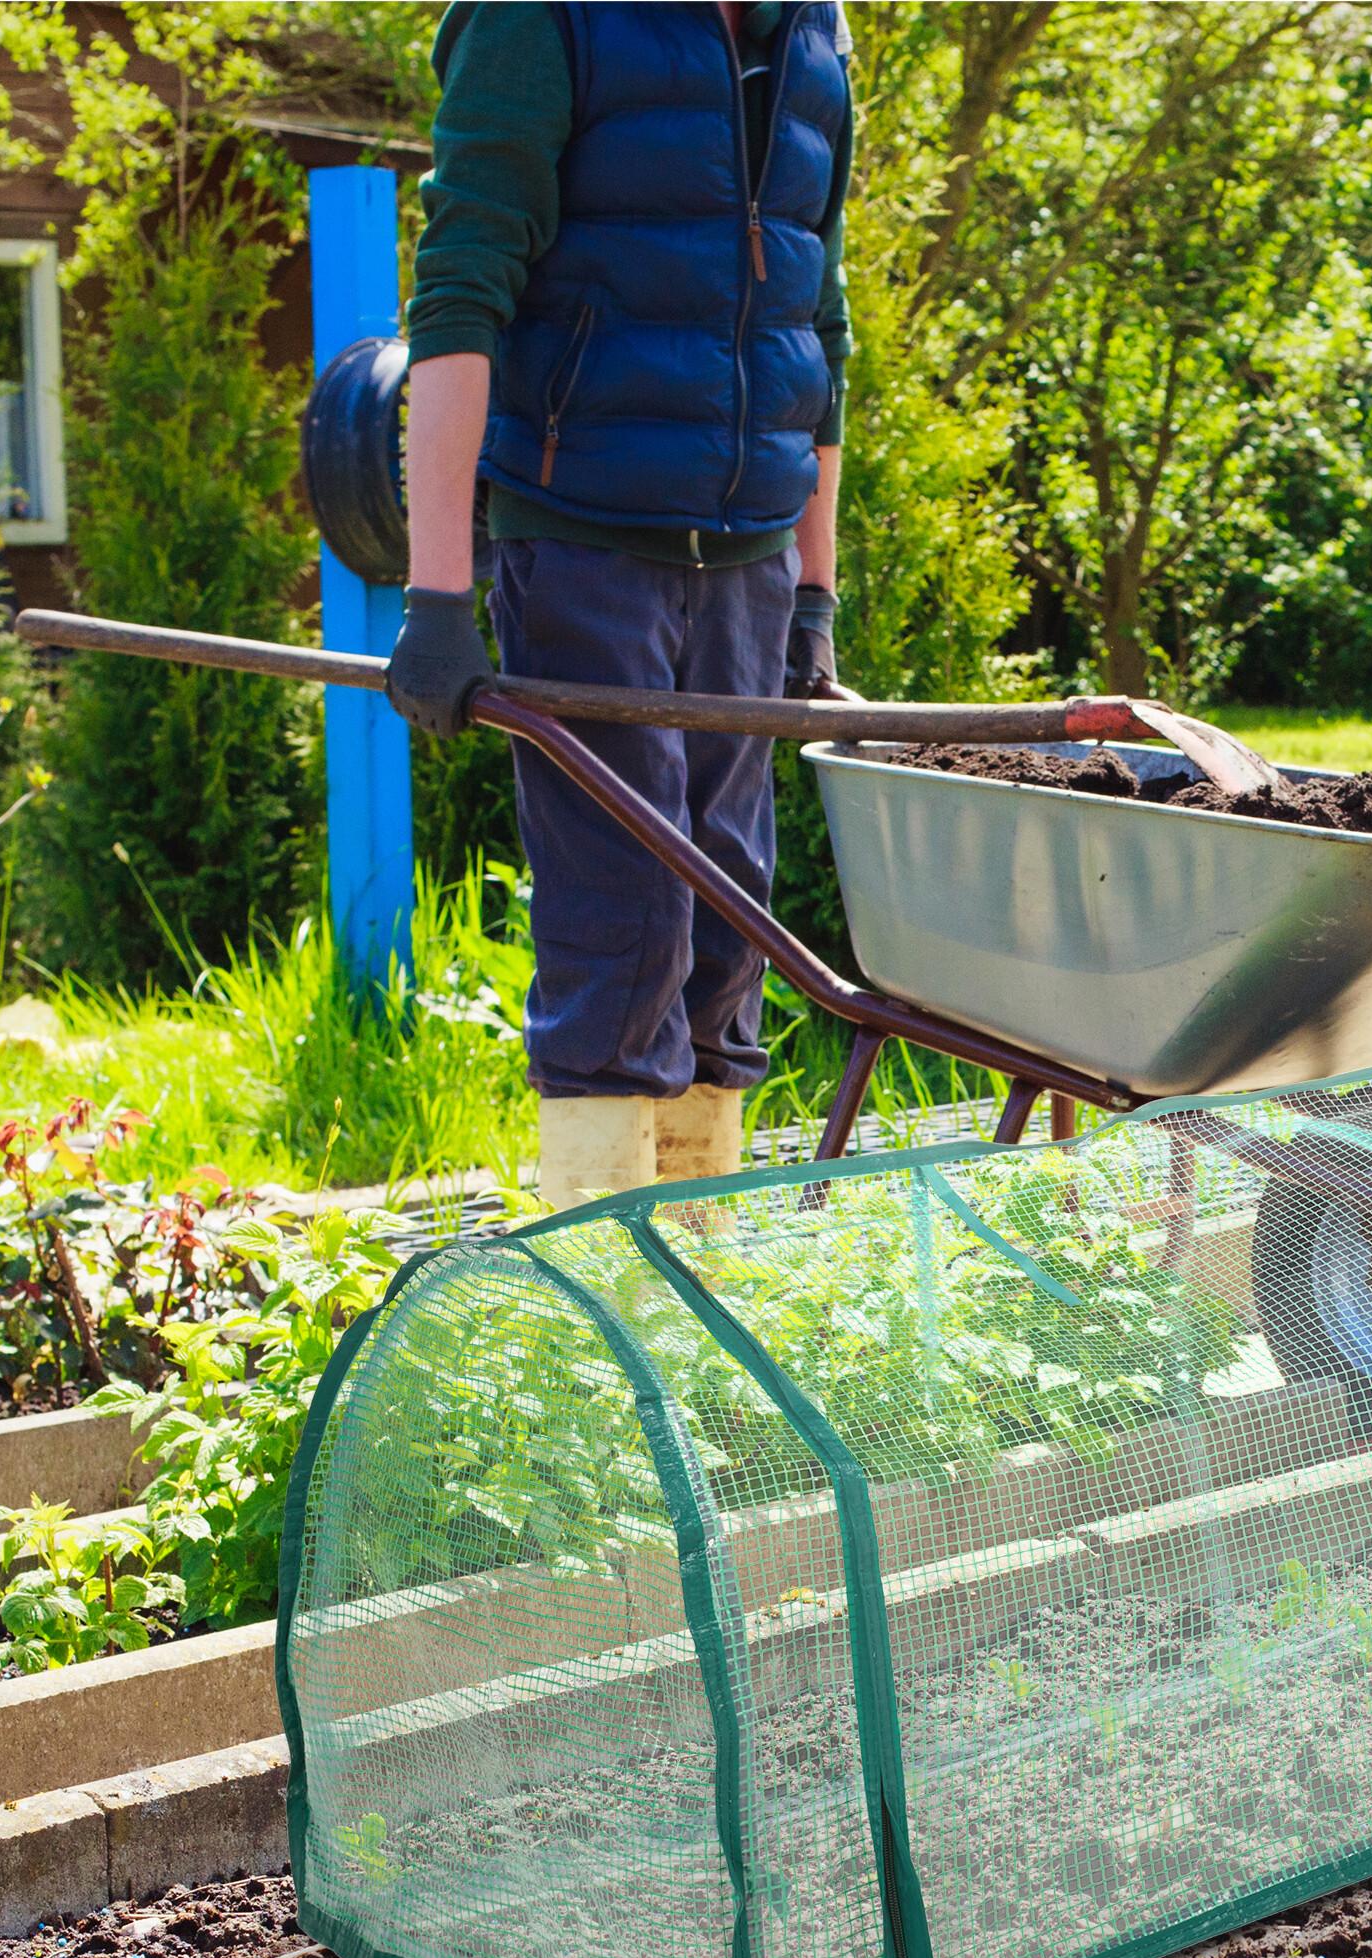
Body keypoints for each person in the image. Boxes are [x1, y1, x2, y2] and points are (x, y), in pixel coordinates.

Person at [387, 2, 852, 1207]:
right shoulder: (542, 17)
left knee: (727, 919)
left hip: (748, 558)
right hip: (585, 538)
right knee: (621, 919)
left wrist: (815, 591)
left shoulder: (816, 32)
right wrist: (437, 594)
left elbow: (817, 315)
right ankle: (603, 1302)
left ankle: (701, 1260)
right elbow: (458, 294)